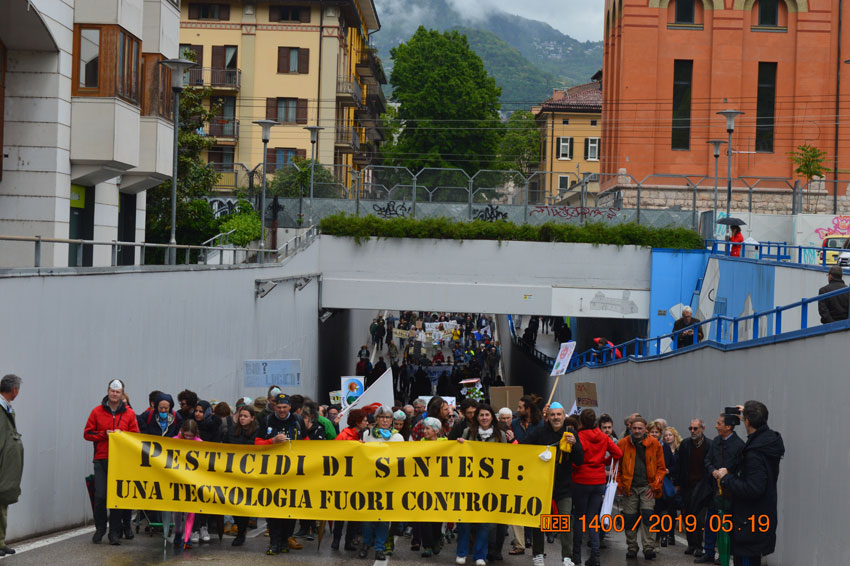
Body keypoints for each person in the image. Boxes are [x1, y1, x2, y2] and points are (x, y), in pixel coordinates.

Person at [716, 402, 784, 566]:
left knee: (746, 560)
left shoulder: (754, 453)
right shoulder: (767, 441)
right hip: (758, 518)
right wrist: (747, 415)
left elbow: (753, 488)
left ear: (747, 422)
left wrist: (726, 479)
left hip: (748, 523)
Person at [523, 402, 585, 566]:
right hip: (541, 485)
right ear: (548, 417)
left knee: (565, 520)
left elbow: (580, 461)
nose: (556, 417)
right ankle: (538, 554)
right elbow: (523, 449)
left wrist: (575, 445)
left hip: (563, 486)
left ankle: (567, 557)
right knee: (539, 521)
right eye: (553, 414)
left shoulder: (571, 433)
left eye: (559, 414)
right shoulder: (540, 432)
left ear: (564, 416)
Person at [84, 379, 140, 545]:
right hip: (101, 459)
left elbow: (136, 436)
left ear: (122, 394)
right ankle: (100, 528)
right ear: (108, 391)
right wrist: (104, 434)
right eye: (112, 391)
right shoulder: (96, 411)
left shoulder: (129, 414)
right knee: (100, 496)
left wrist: (122, 435)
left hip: (120, 461)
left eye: (118, 392)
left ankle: (114, 532)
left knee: (117, 498)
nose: (115, 394)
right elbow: (87, 434)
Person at [255, 394, 304, 554]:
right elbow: (257, 443)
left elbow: (307, 444)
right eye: (279, 407)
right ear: (274, 407)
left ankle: (284, 541)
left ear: (290, 407)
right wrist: (272, 441)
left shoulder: (298, 420)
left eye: (285, 407)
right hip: (272, 472)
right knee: (273, 509)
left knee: (290, 509)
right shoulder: (267, 420)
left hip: (292, 473)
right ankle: (274, 543)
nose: (282, 410)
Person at [572, 408, 622, 566]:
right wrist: (603, 462)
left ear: (581, 421)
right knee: (593, 518)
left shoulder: (578, 436)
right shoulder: (603, 436)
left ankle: (576, 555)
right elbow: (618, 454)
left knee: (579, 517)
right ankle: (595, 556)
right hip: (599, 480)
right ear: (595, 422)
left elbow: (575, 460)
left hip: (581, 479)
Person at [698, 413, 746, 564]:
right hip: (714, 490)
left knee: (726, 524)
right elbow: (707, 460)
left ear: (728, 427)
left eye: (719, 424)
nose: (715, 426)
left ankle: (724, 553)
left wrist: (727, 472)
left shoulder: (739, 445)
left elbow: (740, 467)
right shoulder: (716, 441)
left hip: (730, 491)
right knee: (711, 522)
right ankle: (709, 552)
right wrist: (712, 470)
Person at [617, 417, 665, 561]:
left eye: (640, 428)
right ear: (630, 428)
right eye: (634, 428)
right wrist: (620, 485)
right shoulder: (623, 443)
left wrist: (655, 486)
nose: (637, 431)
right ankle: (632, 547)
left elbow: (661, 468)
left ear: (645, 429)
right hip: (629, 488)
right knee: (629, 518)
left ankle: (648, 547)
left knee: (648, 516)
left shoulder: (655, 444)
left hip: (647, 487)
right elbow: (617, 467)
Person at [360, 406, 403, 560]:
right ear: (376, 419)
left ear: (392, 420)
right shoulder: (367, 434)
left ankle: (379, 547)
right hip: (370, 481)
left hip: (388, 483)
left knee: (384, 519)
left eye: (388, 417)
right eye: (382, 417)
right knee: (367, 517)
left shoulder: (397, 437)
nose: (385, 420)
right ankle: (365, 544)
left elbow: (401, 459)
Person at [675, 419, 713, 558]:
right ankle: (691, 543)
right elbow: (679, 464)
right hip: (687, 486)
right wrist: (677, 483)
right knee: (688, 516)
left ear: (702, 429)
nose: (692, 431)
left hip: (703, 487)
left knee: (699, 518)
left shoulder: (710, 445)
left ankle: (698, 546)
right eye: (690, 428)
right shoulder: (685, 444)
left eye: (695, 428)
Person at [225, 405, 258, 546]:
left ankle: (241, 531)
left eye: (246, 416)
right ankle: (239, 528)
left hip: (250, 474)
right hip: (234, 472)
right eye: (241, 416)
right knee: (234, 503)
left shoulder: (257, 432)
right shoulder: (232, 431)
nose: (242, 418)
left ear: (252, 418)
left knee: (245, 504)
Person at [0, 375, 23, 557]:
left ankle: (0, 542)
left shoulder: (6, 408)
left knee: (3, 502)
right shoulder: (1, 409)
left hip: (5, 467)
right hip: (2, 466)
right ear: (14, 390)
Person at [657, 426, 682, 548]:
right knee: (666, 510)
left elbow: (680, 467)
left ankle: (670, 534)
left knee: (673, 511)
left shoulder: (680, 449)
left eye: (670, 435)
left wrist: (670, 472)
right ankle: (665, 534)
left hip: (676, 483)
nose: (667, 437)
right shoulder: (663, 448)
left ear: (674, 436)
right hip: (665, 484)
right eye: (665, 435)